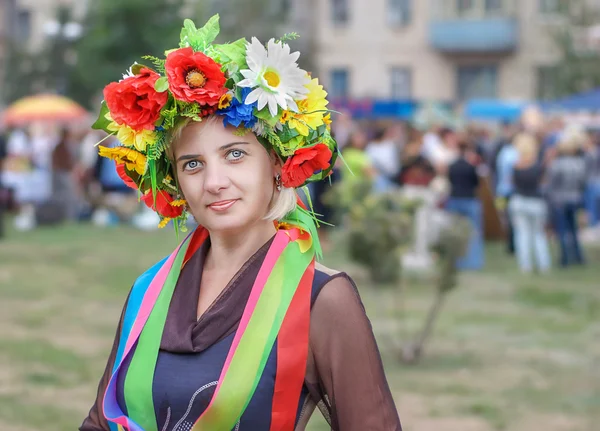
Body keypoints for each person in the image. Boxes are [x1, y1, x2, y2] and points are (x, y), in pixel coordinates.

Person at [80, 17, 402, 431]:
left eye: (234, 154)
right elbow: (100, 422)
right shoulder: (148, 292)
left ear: (274, 162)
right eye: (192, 164)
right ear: (175, 182)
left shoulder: (321, 299)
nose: (214, 182)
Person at [508, 133, 551, 274]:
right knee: (538, 235)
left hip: (519, 201)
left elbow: (512, 183)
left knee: (523, 235)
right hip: (535, 202)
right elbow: (543, 184)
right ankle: (543, 264)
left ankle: (525, 265)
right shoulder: (538, 167)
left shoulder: (516, 166)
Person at [547, 126, 589, 268]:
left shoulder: (557, 164)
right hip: (575, 198)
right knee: (574, 229)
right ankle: (578, 256)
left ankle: (564, 258)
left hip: (560, 200)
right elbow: (583, 183)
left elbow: (552, 184)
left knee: (563, 230)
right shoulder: (580, 163)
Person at [445, 138, 484, 270]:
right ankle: (473, 263)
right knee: (473, 232)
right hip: (469, 199)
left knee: (456, 232)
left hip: (455, 198)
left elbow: (450, 181)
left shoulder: (452, 166)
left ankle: (456, 261)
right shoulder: (471, 167)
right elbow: (476, 183)